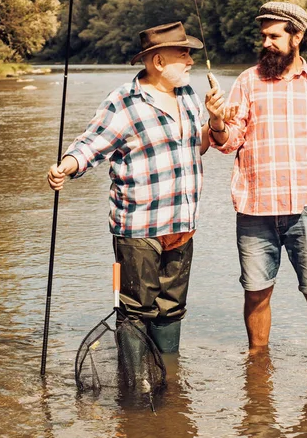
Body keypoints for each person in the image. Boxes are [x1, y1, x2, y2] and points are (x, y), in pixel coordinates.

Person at [205, 2, 307, 358]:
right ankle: (257, 367)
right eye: (263, 36)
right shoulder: (247, 82)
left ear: (297, 37)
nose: (266, 42)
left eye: (274, 36)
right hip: (254, 206)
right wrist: (217, 122)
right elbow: (229, 141)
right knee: (256, 292)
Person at [47, 21, 223, 354]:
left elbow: (196, 146)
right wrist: (65, 168)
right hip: (138, 229)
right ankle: (136, 394)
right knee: (134, 311)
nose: (190, 61)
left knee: (171, 309)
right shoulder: (124, 101)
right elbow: (91, 144)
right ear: (158, 61)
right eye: (183, 54)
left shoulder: (188, 95)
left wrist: (215, 121)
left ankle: (168, 386)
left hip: (182, 225)